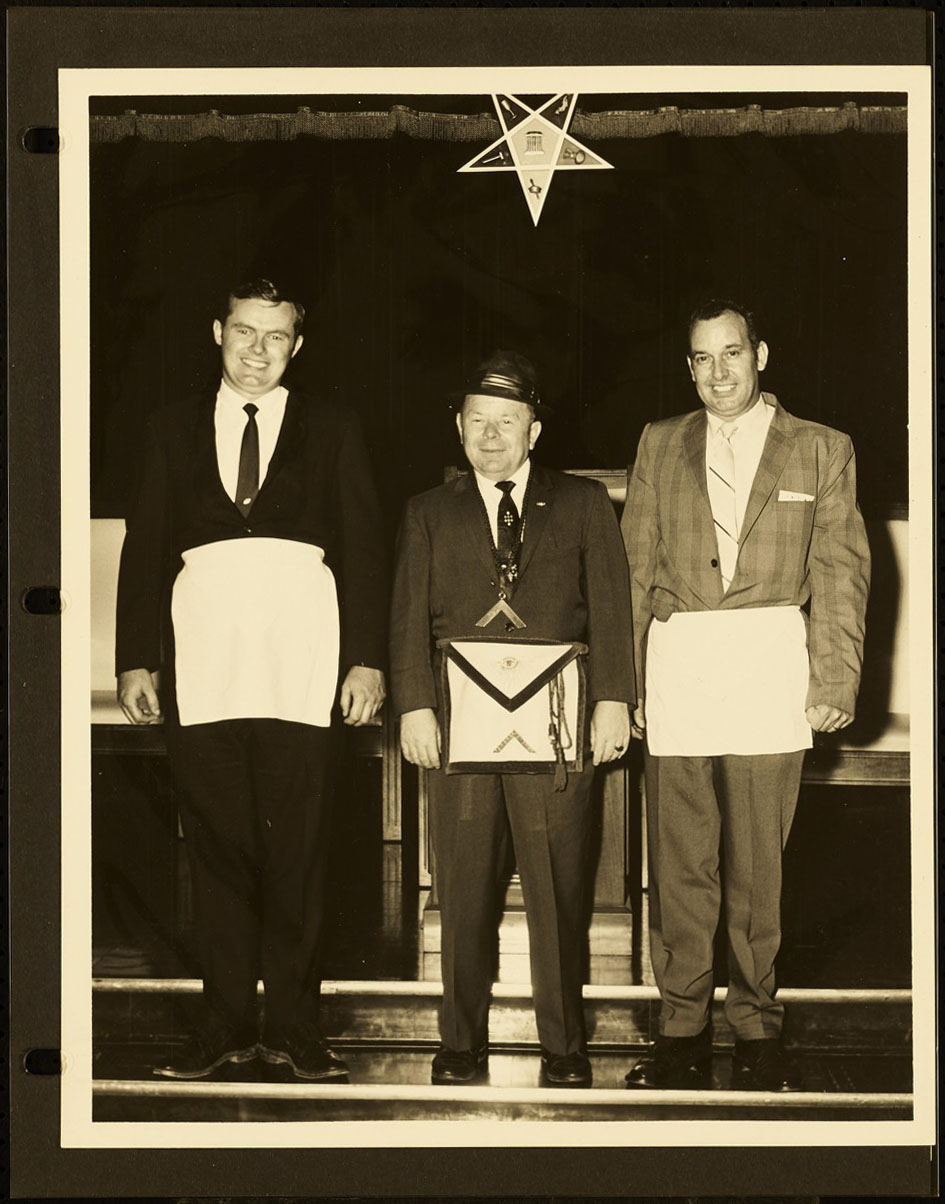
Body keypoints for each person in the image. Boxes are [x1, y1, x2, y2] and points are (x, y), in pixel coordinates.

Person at [115, 278, 388, 1081]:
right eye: (244, 333)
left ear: (297, 345)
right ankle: (224, 1027)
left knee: (297, 853)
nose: (259, 350)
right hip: (204, 664)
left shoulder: (333, 428)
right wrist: (136, 657)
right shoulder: (170, 428)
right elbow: (145, 547)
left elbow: (367, 546)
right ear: (217, 333)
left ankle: (297, 1030)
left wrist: (365, 657)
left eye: (276, 337)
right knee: (219, 852)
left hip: (301, 665)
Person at [621, 300, 870, 1091]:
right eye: (701, 358)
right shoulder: (659, 444)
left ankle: (758, 1029)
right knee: (681, 862)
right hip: (681, 661)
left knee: (757, 867)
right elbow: (633, 571)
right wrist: (620, 686)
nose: (717, 372)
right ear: (687, 366)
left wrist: (834, 678)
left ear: (759, 353)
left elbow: (839, 571)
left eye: (731, 353)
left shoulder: (821, 448)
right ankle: (681, 1029)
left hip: (769, 661)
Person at [390, 350, 634, 1088]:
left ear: (533, 430)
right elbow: (405, 620)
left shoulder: (584, 503)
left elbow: (613, 609)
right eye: (476, 422)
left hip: (558, 730)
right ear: (457, 429)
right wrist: (413, 706)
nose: (490, 436)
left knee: (560, 888)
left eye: (506, 422)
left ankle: (563, 1048)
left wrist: (613, 700)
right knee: (461, 890)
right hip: (458, 730)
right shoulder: (427, 511)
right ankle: (458, 1043)